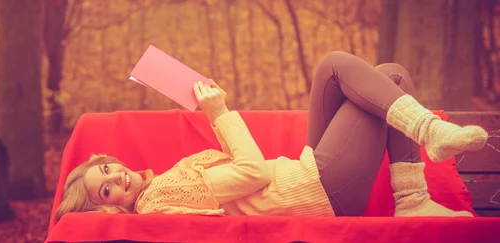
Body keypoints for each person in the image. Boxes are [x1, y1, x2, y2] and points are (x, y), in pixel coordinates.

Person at [54, 51, 488, 221]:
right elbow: (254, 172)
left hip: (308, 175)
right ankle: (428, 131)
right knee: (337, 63)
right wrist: (218, 111)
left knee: (389, 74)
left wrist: (214, 110)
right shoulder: (161, 195)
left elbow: (238, 185)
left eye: (105, 170)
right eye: (105, 189)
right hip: (319, 190)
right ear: (107, 208)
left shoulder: (163, 183)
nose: (115, 178)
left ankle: (412, 200)